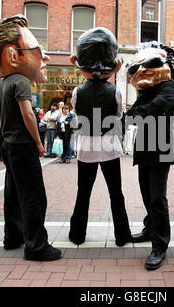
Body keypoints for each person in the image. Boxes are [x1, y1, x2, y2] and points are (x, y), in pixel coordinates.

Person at [0, 15, 61, 261]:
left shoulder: (2, 85)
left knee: (13, 194)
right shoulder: (21, 82)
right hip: (22, 146)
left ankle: (13, 237)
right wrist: (39, 142)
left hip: (8, 145)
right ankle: (36, 245)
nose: (45, 57)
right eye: (37, 49)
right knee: (33, 196)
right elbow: (28, 113)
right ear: (13, 56)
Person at [67, 27, 134, 247]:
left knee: (83, 193)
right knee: (116, 193)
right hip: (109, 148)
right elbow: (118, 117)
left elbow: (77, 115)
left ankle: (77, 234)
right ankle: (122, 235)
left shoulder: (77, 92)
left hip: (86, 147)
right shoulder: (115, 91)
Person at [126, 41, 174, 270]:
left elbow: (155, 107)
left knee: (158, 198)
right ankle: (150, 229)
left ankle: (160, 246)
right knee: (147, 195)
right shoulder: (144, 91)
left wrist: (136, 112)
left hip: (160, 148)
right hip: (145, 147)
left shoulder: (168, 87)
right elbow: (132, 113)